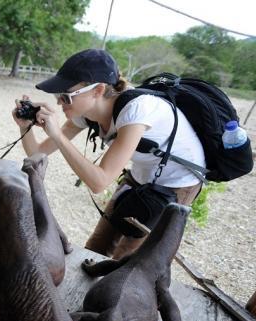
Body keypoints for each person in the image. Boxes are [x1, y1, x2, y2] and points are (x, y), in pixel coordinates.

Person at [13, 49, 206, 259]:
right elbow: (37, 153)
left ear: (98, 91)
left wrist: (58, 135)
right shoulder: (86, 113)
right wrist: (25, 127)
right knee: (96, 246)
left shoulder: (136, 110)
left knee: (127, 260)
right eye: (57, 95)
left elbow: (99, 182)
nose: (59, 103)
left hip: (177, 182)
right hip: (142, 173)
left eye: (66, 97)